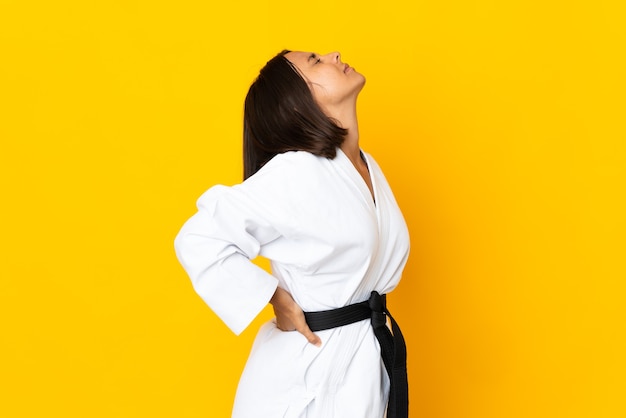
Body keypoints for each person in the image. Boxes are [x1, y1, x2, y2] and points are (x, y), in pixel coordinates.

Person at [174, 49, 410, 418]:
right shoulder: (297, 171)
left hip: (362, 363)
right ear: (297, 102)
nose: (334, 54)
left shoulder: (367, 167)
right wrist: (273, 296)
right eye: (315, 61)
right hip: (306, 377)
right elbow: (199, 238)